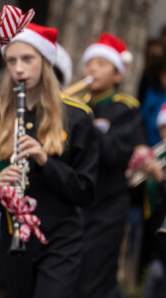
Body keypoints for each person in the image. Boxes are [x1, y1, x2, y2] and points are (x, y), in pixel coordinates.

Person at [0, 23, 99, 298]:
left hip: (60, 240)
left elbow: (86, 191)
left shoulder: (76, 116)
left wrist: (45, 161)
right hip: (13, 239)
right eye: (11, 60)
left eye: (28, 59)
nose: (18, 69)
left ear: (45, 61)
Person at [75, 33, 145, 298]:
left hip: (108, 207)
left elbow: (118, 154)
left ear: (118, 75)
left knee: (97, 279)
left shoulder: (125, 109)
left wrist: (89, 128)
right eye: (89, 62)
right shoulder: (77, 107)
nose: (92, 68)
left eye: (102, 63)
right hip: (79, 205)